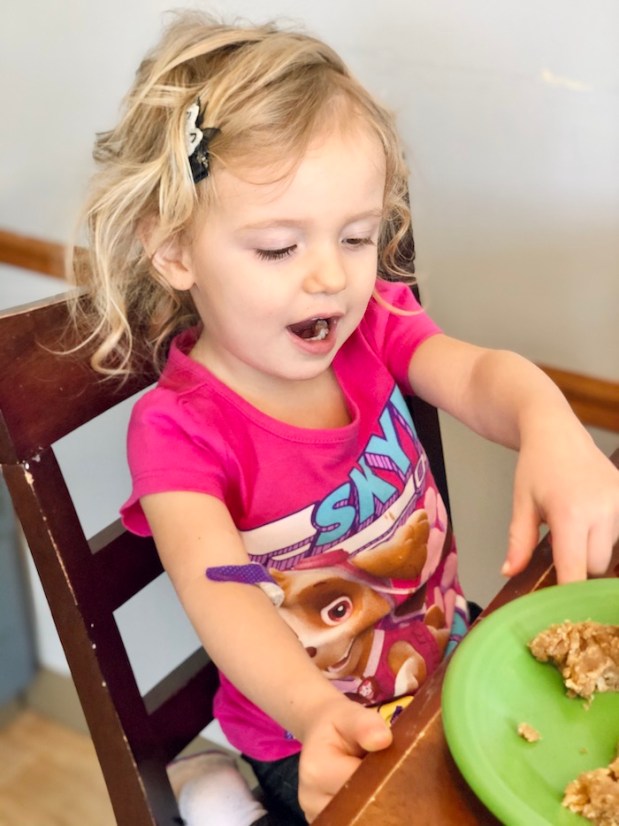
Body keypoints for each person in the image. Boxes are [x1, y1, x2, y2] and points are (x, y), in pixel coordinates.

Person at [70, 10, 619, 824]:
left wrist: (549, 423)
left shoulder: (372, 327)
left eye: (356, 237)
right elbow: (222, 597)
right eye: (277, 248)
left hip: (451, 662)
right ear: (175, 250)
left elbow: (477, 375)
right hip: (315, 738)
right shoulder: (178, 430)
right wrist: (309, 712)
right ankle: (226, 795)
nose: (330, 275)